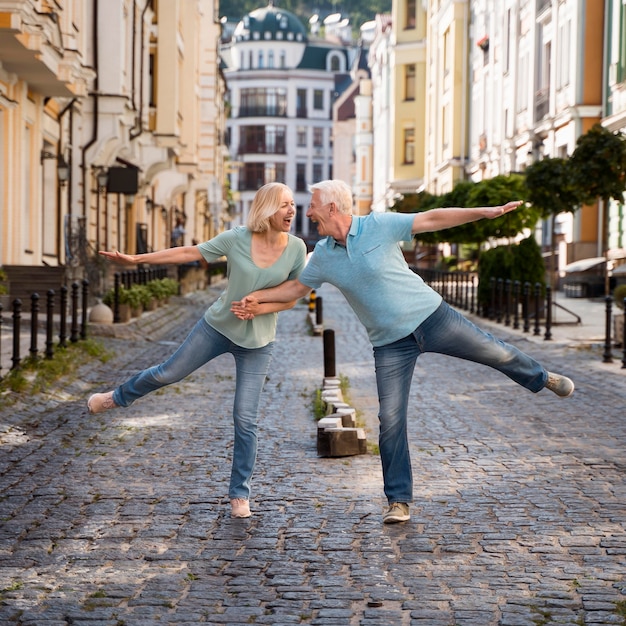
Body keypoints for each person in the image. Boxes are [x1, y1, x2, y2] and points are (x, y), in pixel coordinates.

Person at [231, 179, 575, 525]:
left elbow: (432, 218)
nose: (308, 212)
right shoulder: (323, 255)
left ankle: (542, 377)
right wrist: (258, 298)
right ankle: (399, 501)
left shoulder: (378, 225)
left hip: (432, 317)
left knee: (494, 351)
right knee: (391, 420)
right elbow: (296, 287)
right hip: (389, 344)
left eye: (313, 204)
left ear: (332, 207)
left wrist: (485, 213)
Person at [88, 183, 307, 519]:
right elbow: (189, 252)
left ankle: (239, 494)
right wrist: (135, 259)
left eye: (293, 204)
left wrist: (259, 308)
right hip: (217, 327)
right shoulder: (237, 238)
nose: (291, 210)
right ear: (266, 209)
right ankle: (116, 397)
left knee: (245, 418)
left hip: (259, 341)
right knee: (168, 372)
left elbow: (292, 296)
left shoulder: (296, 248)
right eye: (284, 205)